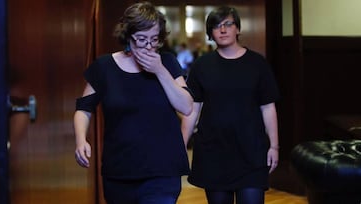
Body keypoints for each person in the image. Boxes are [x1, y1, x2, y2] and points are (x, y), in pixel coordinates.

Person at [73, 2, 193, 204]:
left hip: (162, 170)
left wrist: (160, 71)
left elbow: (186, 106)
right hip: (119, 170)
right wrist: (80, 139)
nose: (148, 46)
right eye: (141, 39)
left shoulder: (168, 62)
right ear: (128, 36)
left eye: (154, 40)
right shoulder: (104, 67)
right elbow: (84, 108)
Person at [181, 6, 280, 204]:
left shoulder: (257, 63)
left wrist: (275, 146)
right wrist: (180, 145)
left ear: (237, 29)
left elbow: (268, 106)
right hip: (214, 151)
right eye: (216, 26)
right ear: (210, 33)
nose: (223, 30)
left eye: (228, 24)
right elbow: (192, 109)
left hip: (251, 150)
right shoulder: (202, 65)